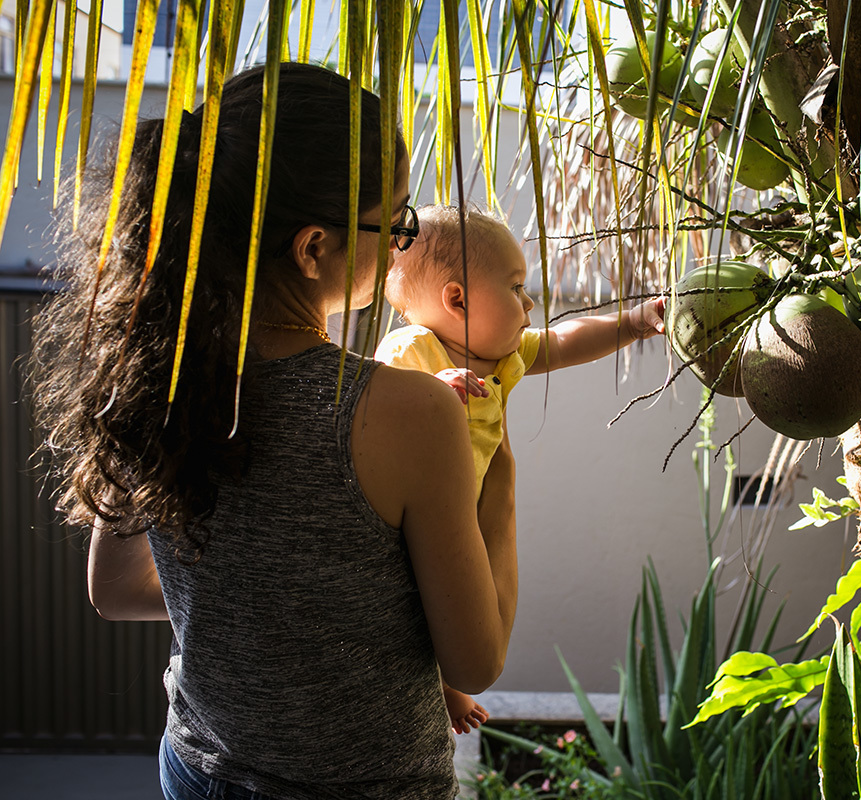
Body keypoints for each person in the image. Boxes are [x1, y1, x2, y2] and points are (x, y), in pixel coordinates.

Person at [29, 63, 516, 800]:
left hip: (198, 768)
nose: (402, 244)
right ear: (313, 247)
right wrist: (500, 479)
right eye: (394, 222)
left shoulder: (155, 371)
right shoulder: (410, 412)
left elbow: (116, 587)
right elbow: (476, 661)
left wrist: (275, 600)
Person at [375, 206, 665, 732]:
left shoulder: (505, 357)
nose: (530, 303)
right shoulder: (413, 348)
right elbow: (380, 401)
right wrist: (434, 390)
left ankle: (447, 677)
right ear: (457, 300)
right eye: (515, 288)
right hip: (407, 516)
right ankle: (444, 685)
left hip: (466, 512)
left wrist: (632, 323)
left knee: (461, 600)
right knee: (408, 597)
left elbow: (565, 342)